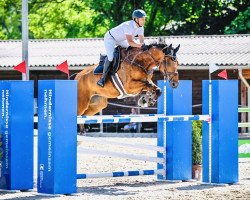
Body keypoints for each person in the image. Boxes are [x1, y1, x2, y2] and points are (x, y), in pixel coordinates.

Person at [97, 9, 147, 87]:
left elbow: (141, 43)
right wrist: (140, 45)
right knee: (111, 58)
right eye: (142, 19)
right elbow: (130, 42)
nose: (144, 21)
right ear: (136, 19)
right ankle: (103, 79)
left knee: (133, 49)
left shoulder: (141, 28)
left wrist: (144, 48)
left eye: (144, 19)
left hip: (121, 40)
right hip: (110, 38)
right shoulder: (128, 26)